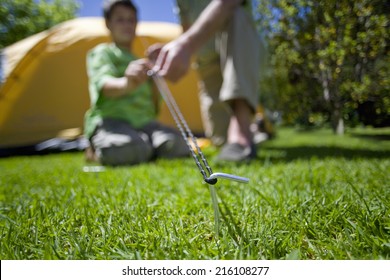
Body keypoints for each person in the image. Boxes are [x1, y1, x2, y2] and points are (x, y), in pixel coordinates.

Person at [148, 0, 262, 162]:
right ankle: (253, 131)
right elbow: (187, 28)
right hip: (205, 60)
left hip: (239, 46)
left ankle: (242, 132)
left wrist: (186, 46)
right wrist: (174, 49)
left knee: (238, 14)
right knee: (220, 140)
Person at [84, 0, 189, 166]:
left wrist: (156, 73)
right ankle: (96, 150)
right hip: (113, 121)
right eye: (120, 19)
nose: (127, 24)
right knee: (126, 148)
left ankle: (144, 146)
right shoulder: (102, 53)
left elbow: (155, 104)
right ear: (108, 24)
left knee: (178, 145)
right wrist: (127, 83)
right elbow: (104, 86)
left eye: (131, 20)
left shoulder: (142, 62)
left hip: (146, 124)